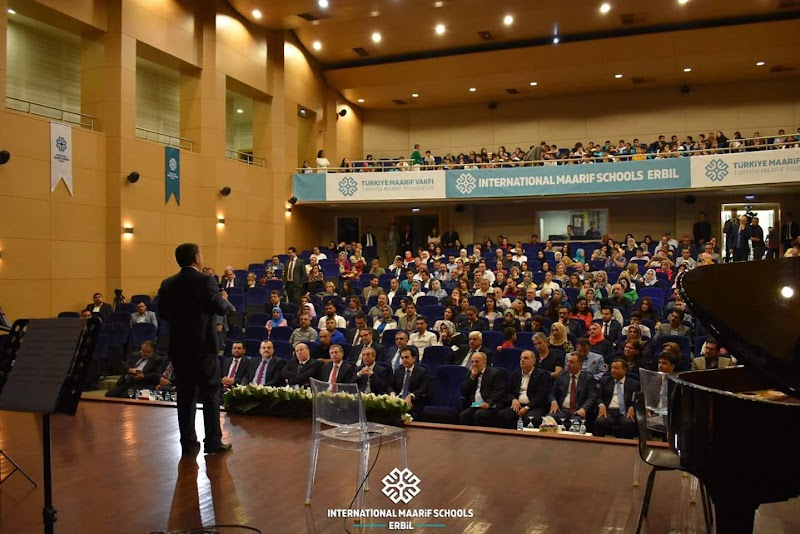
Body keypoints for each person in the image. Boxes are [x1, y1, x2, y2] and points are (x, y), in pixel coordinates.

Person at [157, 242, 235, 455]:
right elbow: (219, 307)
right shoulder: (206, 280)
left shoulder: (168, 283)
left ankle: (188, 441)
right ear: (197, 258)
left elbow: (163, 313)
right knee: (210, 394)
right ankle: (213, 442)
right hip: (203, 347)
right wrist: (224, 300)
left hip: (179, 348)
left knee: (185, 395)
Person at [496, 350, 553, 429]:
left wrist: (527, 407)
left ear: (534, 361)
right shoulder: (515, 374)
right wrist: (513, 399)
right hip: (517, 405)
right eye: (521, 358)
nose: (522, 360)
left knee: (531, 419)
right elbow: (508, 391)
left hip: (534, 406)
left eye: (526, 358)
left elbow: (541, 396)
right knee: (503, 415)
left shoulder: (542, 375)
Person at [458, 351, 508, 428]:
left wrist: (489, 403)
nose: (474, 364)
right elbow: (463, 391)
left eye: (477, 362)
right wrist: (472, 378)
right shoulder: (470, 374)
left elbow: (499, 392)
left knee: (479, 414)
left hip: (491, 404)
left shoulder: (495, 373)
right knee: (463, 415)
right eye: (472, 362)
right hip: (475, 404)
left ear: (484, 363)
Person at [593, 359, 640, 439]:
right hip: (608, 411)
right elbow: (598, 397)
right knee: (599, 422)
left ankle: (625, 446)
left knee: (628, 423)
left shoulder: (634, 384)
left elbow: (637, 400)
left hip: (625, 412)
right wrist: (601, 405)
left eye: (616, 368)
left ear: (624, 370)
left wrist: (633, 407)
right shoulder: (605, 381)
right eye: (612, 368)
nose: (613, 370)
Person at [548, 352, 597, 427]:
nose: (568, 364)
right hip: (562, 411)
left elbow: (591, 397)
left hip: (578, 411)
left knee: (576, 424)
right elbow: (552, 393)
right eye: (567, 361)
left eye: (571, 362)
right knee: (548, 420)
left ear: (580, 365)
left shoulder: (588, 378)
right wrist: (553, 402)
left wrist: (584, 409)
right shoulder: (561, 376)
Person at [391, 347, 429, 420]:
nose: (404, 360)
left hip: (412, 402)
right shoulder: (398, 371)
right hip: (398, 400)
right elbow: (391, 386)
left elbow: (424, 388)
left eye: (407, 357)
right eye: (402, 358)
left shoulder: (422, 371)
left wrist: (411, 395)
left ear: (414, 358)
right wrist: (392, 394)